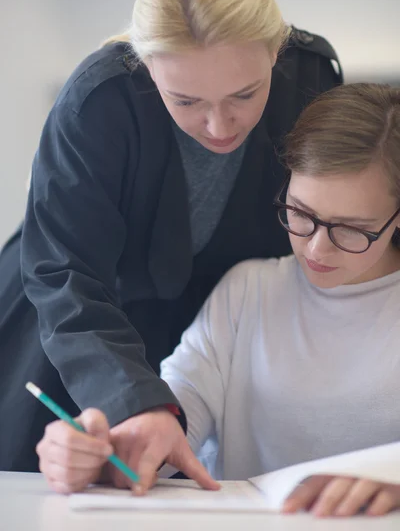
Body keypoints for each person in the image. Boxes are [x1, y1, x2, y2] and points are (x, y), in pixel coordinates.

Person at [0, 0, 341, 483]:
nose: (218, 126)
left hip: (203, 327)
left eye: (244, 94)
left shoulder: (312, 79)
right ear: (147, 65)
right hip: (73, 324)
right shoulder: (99, 99)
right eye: (185, 101)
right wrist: (130, 397)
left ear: (276, 51)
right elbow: (64, 270)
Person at [37, 83, 400, 517]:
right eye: (301, 214)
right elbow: (174, 417)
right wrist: (103, 448)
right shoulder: (249, 291)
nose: (316, 250)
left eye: (350, 229)